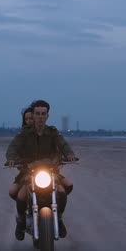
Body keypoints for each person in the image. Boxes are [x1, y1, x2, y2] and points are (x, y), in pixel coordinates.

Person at [6, 100, 77, 240]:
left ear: (47, 116)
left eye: (43, 114)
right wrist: (11, 158)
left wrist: (69, 154)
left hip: (50, 171)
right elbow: (12, 147)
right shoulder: (24, 133)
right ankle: (20, 221)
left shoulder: (52, 132)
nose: (40, 117)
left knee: (65, 188)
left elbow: (63, 144)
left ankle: (60, 219)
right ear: (34, 114)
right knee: (18, 194)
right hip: (29, 171)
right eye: (37, 114)